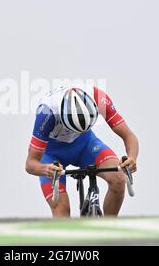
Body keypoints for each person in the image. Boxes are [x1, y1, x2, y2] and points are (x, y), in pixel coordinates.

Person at [25, 84, 139, 217]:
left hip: (85, 144)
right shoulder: (46, 113)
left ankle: (109, 229)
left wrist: (132, 158)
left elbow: (129, 136)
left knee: (119, 178)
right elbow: (30, 164)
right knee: (61, 209)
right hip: (51, 154)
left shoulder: (98, 98)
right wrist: (45, 169)